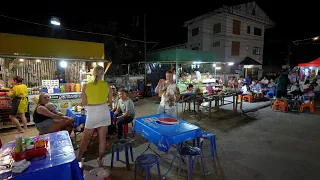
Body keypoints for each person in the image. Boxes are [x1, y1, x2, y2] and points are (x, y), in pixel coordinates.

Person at [77, 65, 112, 167]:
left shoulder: (85, 86)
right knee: (102, 139)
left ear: (93, 73)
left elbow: (83, 103)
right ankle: (100, 160)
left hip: (92, 113)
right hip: (104, 112)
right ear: (102, 74)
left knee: (85, 138)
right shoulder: (107, 85)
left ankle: (79, 158)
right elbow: (110, 102)